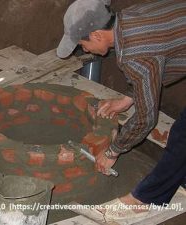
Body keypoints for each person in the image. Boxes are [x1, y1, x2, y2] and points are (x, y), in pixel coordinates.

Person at [57, 0, 186, 220]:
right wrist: (128, 99)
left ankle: (143, 200)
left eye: (82, 44)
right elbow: (157, 58)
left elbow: (146, 119)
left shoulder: (134, 55)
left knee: (182, 136)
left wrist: (112, 151)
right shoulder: (128, 18)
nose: (84, 49)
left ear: (97, 35)